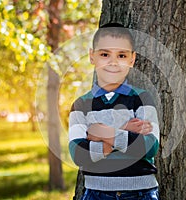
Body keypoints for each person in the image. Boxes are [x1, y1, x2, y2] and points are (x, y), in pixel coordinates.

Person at [68, 23, 160, 200]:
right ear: (92, 56)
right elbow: (78, 154)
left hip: (142, 193)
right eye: (104, 54)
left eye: (122, 55)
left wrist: (99, 133)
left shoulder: (142, 98)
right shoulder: (81, 105)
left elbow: (149, 147)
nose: (113, 62)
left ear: (132, 59)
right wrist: (125, 131)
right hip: (96, 193)